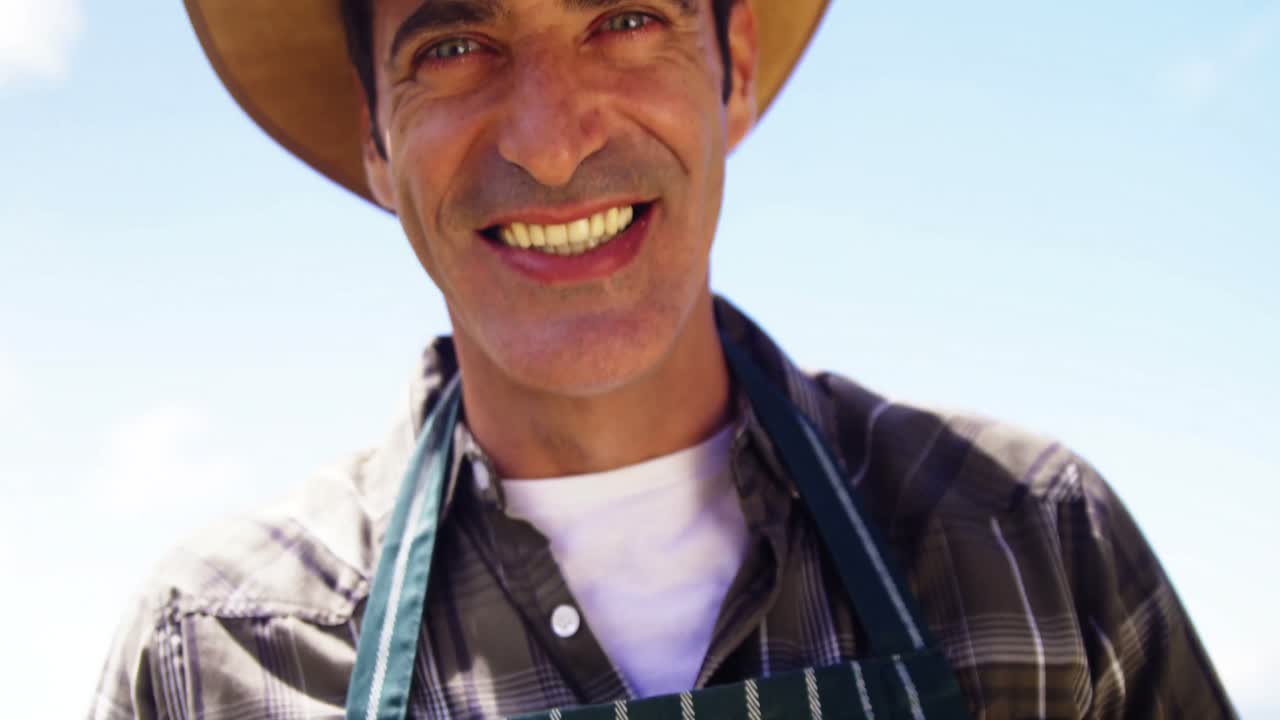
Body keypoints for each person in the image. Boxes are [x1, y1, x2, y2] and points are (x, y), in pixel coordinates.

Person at [90, 1, 1235, 718]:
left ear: (731, 67)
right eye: (453, 45)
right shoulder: (218, 652)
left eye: (625, 19)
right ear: (375, 139)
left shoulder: (1030, 545)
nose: (550, 139)